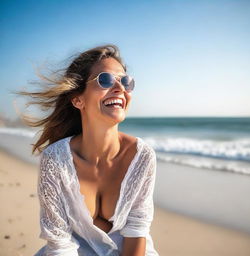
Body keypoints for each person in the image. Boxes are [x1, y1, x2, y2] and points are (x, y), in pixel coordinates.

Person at [17, 44, 159, 256]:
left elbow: (137, 230)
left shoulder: (142, 156)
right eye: (105, 80)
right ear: (77, 99)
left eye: (125, 81)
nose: (120, 88)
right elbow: (60, 243)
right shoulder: (55, 160)